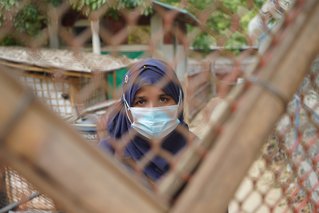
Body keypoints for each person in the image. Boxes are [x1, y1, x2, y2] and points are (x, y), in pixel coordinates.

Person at [98, 58, 197, 182]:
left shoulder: (195, 149)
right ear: (127, 108)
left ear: (178, 102)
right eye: (141, 101)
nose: (152, 110)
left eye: (163, 99)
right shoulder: (108, 153)